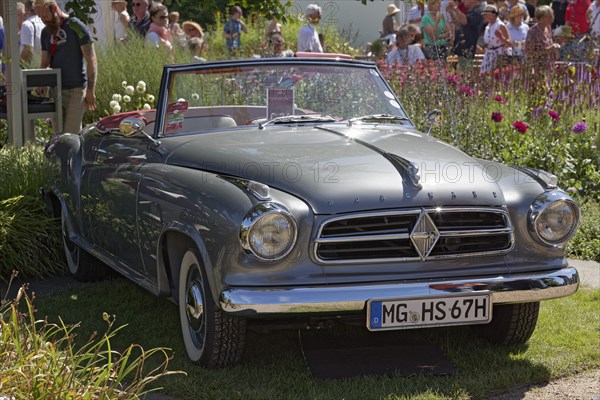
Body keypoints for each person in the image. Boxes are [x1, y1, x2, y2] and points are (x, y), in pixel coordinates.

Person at [33, 0, 97, 134]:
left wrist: (91, 90)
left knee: (70, 137)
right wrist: (41, 83)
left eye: (45, 16)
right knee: (58, 137)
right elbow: (45, 62)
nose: (43, 21)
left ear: (55, 8)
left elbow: (91, 59)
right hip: (56, 91)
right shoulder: (45, 32)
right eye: (40, 17)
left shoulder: (76, 25)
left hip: (76, 90)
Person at [525, 5, 560, 71]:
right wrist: (548, 49)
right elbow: (530, 52)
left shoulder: (548, 28)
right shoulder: (532, 32)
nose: (552, 18)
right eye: (549, 16)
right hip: (536, 68)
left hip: (549, 67)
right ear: (542, 18)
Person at [453, 0, 486, 70]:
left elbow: (465, 21)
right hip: (461, 49)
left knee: (464, 74)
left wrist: (455, 8)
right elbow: (459, 22)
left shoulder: (478, 11)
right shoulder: (471, 11)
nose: (463, 1)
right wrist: (451, 11)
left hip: (467, 50)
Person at [480, 4, 512, 72]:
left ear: (493, 15)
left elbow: (509, 44)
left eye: (487, 14)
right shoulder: (488, 26)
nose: (485, 16)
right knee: (484, 75)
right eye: (485, 15)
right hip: (489, 54)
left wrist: (501, 37)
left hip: (499, 55)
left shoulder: (500, 25)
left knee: (497, 77)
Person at [19, 0, 46, 68]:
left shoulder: (27, 24)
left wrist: (17, 67)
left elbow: (28, 51)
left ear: (26, 9)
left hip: (30, 71)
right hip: (42, 68)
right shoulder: (43, 23)